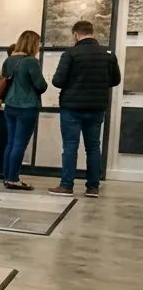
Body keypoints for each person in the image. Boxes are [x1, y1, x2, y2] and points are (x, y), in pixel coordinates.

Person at [49, 20, 121, 197]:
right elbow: (115, 80)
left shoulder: (71, 54)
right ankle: (93, 187)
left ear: (75, 34)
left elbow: (57, 81)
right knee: (94, 147)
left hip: (72, 107)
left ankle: (66, 186)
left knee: (70, 146)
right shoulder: (108, 54)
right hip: (97, 106)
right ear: (92, 32)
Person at [0, 31, 47, 191]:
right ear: (32, 44)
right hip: (27, 107)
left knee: (10, 142)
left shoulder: (9, 60)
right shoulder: (31, 62)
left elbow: (4, 80)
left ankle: (6, 176)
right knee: (19, 144)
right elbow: (41, 85)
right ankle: (13, 179)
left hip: (10, 106)